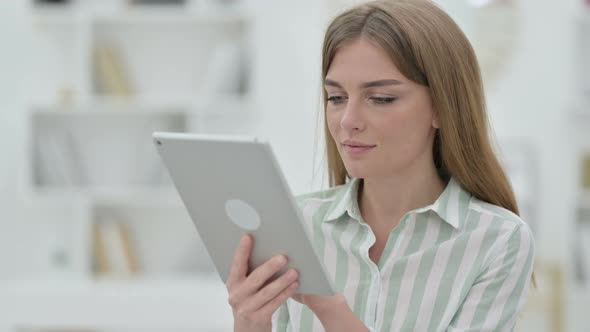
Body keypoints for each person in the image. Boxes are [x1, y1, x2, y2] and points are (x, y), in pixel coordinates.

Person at [226, 0, 536, 331]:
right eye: (337, 97)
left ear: (442, 108)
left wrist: (331, 310)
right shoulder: (297, 224)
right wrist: (249, 323)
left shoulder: (498, 240)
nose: (348, 121)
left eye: (381, 99)